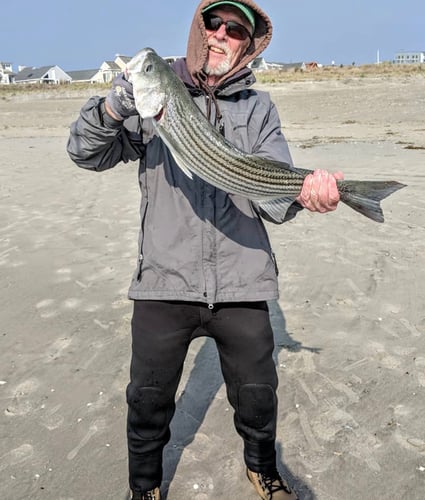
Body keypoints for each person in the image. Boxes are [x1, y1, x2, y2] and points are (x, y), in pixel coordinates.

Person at [67, 1, 342, 499]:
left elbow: (273, 205)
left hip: (243, 278)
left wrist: (307, 195)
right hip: (164, 279)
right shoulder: (151, 99)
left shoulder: (258, 109)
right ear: (199, 30)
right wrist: (113, 107)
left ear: (248, 46)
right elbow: (85, 153)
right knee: (147, 399)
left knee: (258, 397)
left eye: (235, 30)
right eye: (213, 23)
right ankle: (145, 487)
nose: (221, 35)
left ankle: (263, 468)